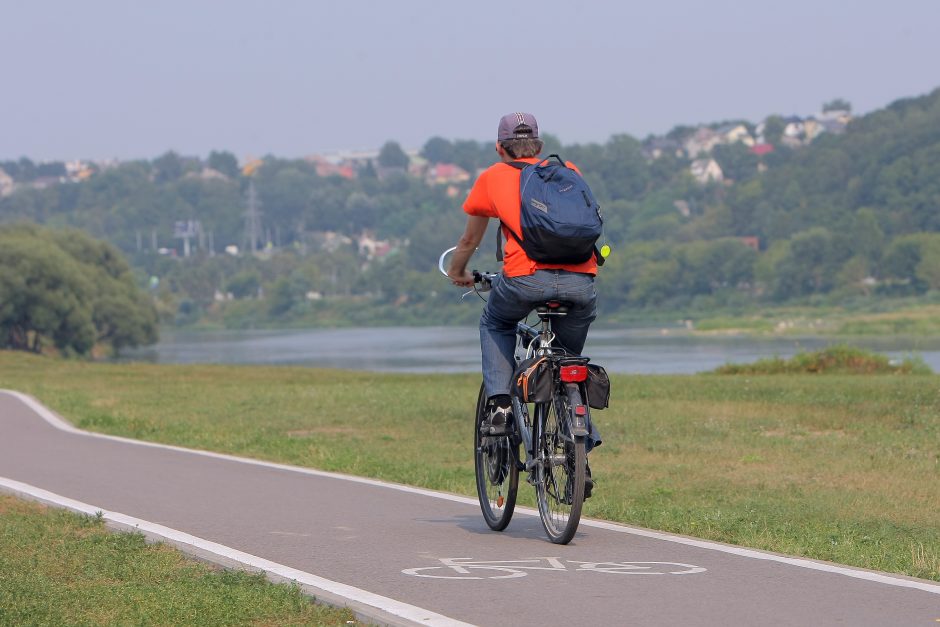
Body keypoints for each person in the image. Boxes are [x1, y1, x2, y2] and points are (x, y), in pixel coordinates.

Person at [447, 112, 599, 495]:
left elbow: (469, 242)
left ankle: (499, 406)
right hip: (582, 282)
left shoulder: (493, 177)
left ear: (500, 147)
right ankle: (578, 437)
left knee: (496, 323)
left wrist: (459, 271)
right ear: (541, 147)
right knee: (567, 360)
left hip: (524, 279)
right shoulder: (569, 171)